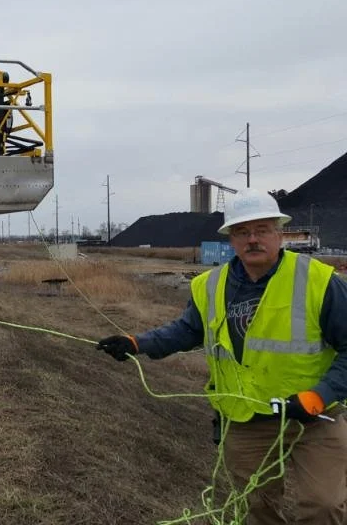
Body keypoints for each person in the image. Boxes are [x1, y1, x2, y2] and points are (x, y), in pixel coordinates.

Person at [97, 188, 347, 525]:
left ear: (278, 233)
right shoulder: (210, 285)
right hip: (245, 420)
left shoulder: (320, 281)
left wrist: (320, 396)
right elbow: (186, 331)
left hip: (315, 418)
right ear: (231, 239)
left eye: (261, 230)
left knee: (324, 506)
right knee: (254, 509)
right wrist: (137, 343)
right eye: (242, 232)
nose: (252, 239)